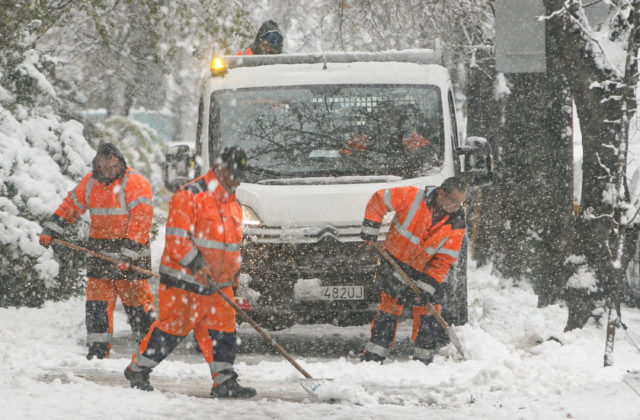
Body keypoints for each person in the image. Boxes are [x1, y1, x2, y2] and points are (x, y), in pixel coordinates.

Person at [124, 146, 256, 399]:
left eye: (241, 175)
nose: (238, 181)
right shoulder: (189, 195)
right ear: (219, 169)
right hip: (185, 282)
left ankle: (224, 381)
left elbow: (232, 244)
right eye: (234, 174)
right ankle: (138, 369)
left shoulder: (233, 203)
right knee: (171, 331)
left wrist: (234, 275)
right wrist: (198, 266)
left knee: (223, 331)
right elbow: (178, 240)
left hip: (220, 284)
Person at [39, 142, 155, 360]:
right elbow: (71, 205)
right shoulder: (90, 183)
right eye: (105, 167)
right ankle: (98, 352)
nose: (110, 171)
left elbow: (141, 220)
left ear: (121, 162)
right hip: (99, 253)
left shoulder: (136, 183)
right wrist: (52, 228)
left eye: (114, 166)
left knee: (137, 304)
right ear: (97, 166)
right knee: (97, 305)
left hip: (130, 255)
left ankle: (151, 351)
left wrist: (127, 254)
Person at [360, 177, 467, 364]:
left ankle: (423, 360)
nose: (457, 207)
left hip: (425, 270)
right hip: (395, 261)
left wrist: (428, 286)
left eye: (460, 202)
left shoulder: (456, 223)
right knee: (389, 309)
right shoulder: (411, 196)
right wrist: (371, 226)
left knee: (428, 310)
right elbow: (379, 199)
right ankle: (374, 356)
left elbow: (443, 260)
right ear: (441, 194)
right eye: (453, 201)